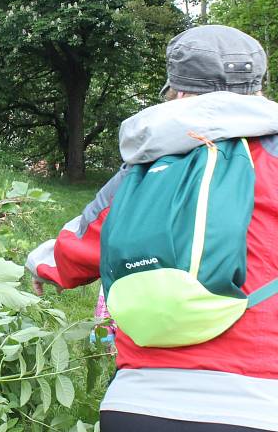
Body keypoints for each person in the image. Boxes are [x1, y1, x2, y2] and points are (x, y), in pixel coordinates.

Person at [26, 25, 278, 432]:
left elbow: (76, 247)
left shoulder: (141, 171)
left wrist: (38, 263)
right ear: (257, 88)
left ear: (178, 92)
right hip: (261, 404)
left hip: (138, 404)